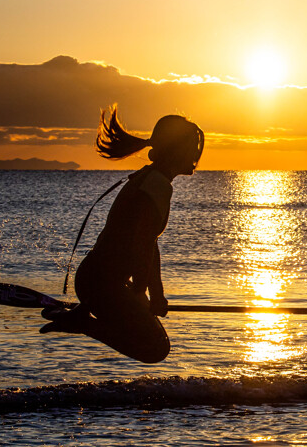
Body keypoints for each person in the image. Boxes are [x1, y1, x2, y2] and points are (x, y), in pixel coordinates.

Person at [40, 106, 204, 363]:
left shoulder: (151, 179)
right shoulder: (156, 185)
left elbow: (150, 243)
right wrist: (143, 292)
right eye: (191, 146)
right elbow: (142, 244)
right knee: (155, 349)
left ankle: (82, 315)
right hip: (102, 285)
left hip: (102, 281)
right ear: (177, 150)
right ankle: (83, 324)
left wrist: (155, 293)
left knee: (154, 340)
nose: (196, 153)